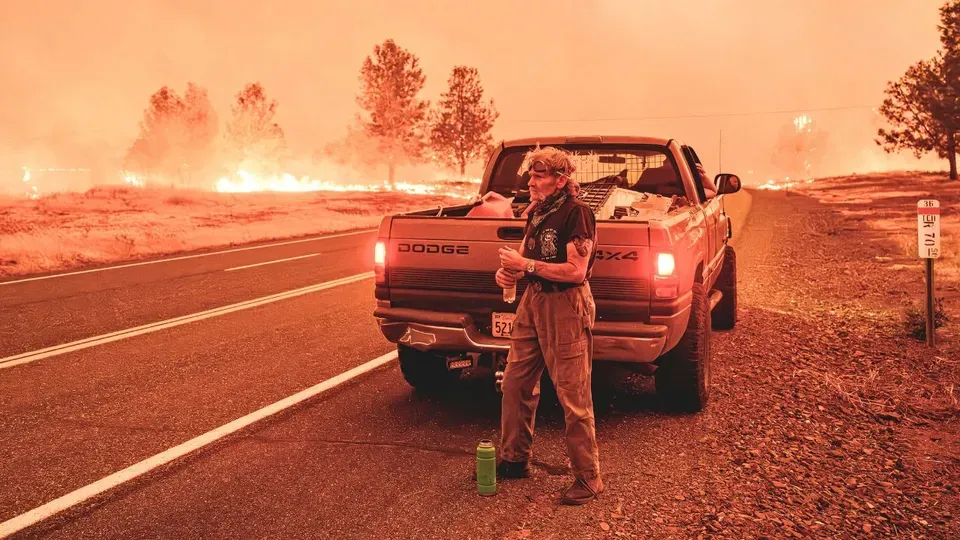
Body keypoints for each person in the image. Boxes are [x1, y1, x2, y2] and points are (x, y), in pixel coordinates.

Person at [495, 145, 602, 506]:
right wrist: (507, 272)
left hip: (566, 306)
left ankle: (588, 478)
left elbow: (576, 271)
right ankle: (514, 458)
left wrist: (524, 266)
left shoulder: (577, 214)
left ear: (561, 179)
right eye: (531, 175)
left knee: (572, 393)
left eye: (539, 176)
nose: (531, 181)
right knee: (515, 380)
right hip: (534, 301)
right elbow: (530, 259)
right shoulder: (538, 212)